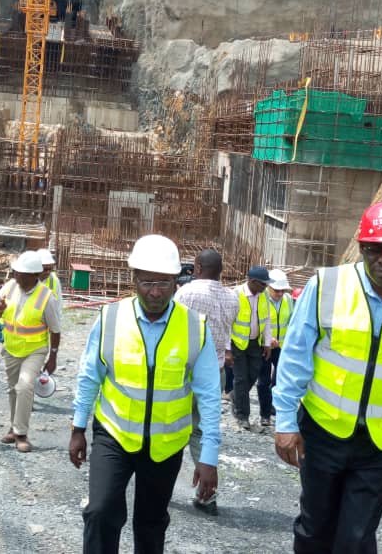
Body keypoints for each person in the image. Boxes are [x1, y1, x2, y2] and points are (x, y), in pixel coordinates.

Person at [273, 201, 382, 552]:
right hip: (323, 434)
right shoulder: (326, 286)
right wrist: (284, 421)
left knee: (356, 538)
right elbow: (294, 358)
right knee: (314, 531)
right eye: (376, 250)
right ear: (362, 248)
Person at [70, 234, 220, 554]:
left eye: (164, 283)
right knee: (100, 512)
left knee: (151, 524)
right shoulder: (110, 318)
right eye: (147, 282)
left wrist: (208, 457)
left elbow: (208, 395)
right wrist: (78, 428)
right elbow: (89, 376)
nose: (154, 292)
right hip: (115, 434)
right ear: (133, 278)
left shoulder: (195, 327)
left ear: (176, 281)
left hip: (166, 444)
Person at [174, 247, 239, 515]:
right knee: (203, 431)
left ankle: (159, 485)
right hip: (217, 372)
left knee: (173, 429)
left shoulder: (186, 293)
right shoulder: (233, 297)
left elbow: (173, 327)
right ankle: (207, 495)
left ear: (197, 267)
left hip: (185, 372)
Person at [0, 251, 60, 453]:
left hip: (35, 350)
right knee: (13, 389)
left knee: (25, 386)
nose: (15, 275)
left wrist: (53, 356)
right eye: (16, 271)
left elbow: (55, 329)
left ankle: (21, 434)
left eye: (20, 273)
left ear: (33, 275)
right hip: (11, 348)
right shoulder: (10, 287)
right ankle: (13, 427)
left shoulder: (47, 297)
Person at [228, 265, 271, 430]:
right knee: (240, 378)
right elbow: (228, 322)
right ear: (253, 282)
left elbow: (266, 320)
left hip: (254, 342)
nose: (266, 287)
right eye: (263, 284)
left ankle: (236, 395)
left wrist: (266, 343)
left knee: (253, 373)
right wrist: (227, 349)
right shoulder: (235, 294)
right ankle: (242, 416)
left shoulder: (263, 295)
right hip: (237, 343)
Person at [257, 269, 293, 429]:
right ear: (268, 287)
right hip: (265, 347)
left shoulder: (288, 300)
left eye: (282, 290)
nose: (279, 294)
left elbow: (292, 321)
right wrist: (267, 339)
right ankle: (265, 415)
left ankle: (274, 408)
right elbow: (257, 323)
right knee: (263, 381)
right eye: (276, 290)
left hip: (282, 347)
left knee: (280, 381)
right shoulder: (260, 299)